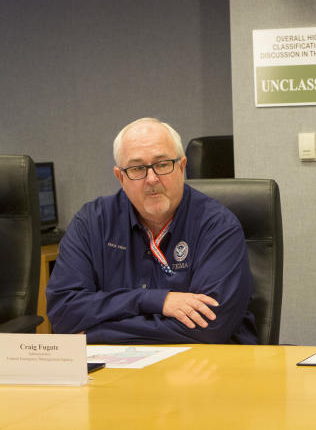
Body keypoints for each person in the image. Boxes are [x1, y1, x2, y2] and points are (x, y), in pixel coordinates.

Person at [46, 117, 257, 344]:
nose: (152, 179)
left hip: (202, 369)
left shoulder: (218, 226)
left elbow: (209, 326)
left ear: (182, 167)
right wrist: (156, 301)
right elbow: (63, 313)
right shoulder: (91, 223)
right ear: (120, 177)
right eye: (137, 168)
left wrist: (97, 334)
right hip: (116, 371)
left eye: (163, 164)